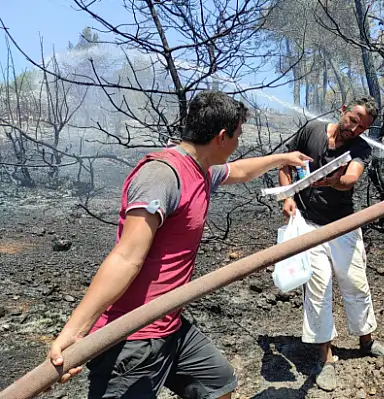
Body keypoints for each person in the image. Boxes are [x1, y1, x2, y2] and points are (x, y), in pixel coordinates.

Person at [47, 90, 312, 399]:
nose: (239, 144)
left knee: (219, 383)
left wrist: (283, 158)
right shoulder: (162, 175)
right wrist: (76, 332)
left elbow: (239, 171)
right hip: (131, 335)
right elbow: (126, 258)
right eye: (238, 136)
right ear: (221, 137)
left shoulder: (201, 171)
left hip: (170, 325)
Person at [278, 97, 384, 392]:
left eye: (362, 126)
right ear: (343, 111)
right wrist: (287, 196)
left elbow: (350, 178)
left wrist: (331, 181)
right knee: (318, 287)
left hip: (342, 224)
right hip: (308, 223)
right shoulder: (312, 131)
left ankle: (366, 340)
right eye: (352, 119)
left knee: (355, 282)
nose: (354, 128)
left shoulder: (360, 148)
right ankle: (325, 358)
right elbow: (284, 163)